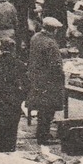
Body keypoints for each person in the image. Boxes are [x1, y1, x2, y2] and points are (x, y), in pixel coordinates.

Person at [27, 18, 66, 147]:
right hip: (49, 81)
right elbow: (56, 65)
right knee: (48, 109)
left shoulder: (35, 38)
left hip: (37, 78)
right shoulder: (51, 43)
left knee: (41, 108)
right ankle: (43, 136)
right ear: (54, 30)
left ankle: (41, 133)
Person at [0, 37, 26, 153]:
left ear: (0, 49)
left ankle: (2, 151)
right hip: (14, 101)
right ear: (13, 50)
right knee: (12, 129)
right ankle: (11, 150)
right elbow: (26, 84)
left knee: (1, 129)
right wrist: (21, 97)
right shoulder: (19, 64)